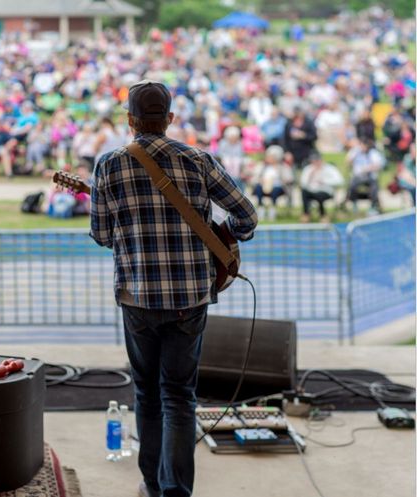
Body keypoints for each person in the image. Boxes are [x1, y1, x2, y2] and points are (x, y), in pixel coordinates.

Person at [90, 81, 257, 497]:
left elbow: (100, 235)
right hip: (190, 299)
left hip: (137, 297)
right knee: (180, 397)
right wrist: (226, 238)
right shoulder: (198, 159)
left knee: (146, 394)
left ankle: (150, 484)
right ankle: (175, 490)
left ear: (130, 120)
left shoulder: (108, 165)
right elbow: (247, 216)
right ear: (169, 119)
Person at [342, 138, 384, 215]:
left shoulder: (373, 153)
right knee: (352, 185)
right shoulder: (355, 151)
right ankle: (354, 203)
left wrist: (368, 168)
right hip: (357, 176)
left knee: (374, 185)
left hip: (370, 176)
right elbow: (347, 162)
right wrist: (354, 155)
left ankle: (373, 206)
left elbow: (378, 165)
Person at [298, 155, 343, 223]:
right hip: (312, 190)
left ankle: (323, 215)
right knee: (304, 192)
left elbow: (340, 180)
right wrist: (311, 176)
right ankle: (306, 214)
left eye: (318, 161)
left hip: (326, 191)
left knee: (319, 195)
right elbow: (303, 183)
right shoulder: (308, 169)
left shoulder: (330, 168)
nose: (316, 163)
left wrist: (324, 181)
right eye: (314, 161)